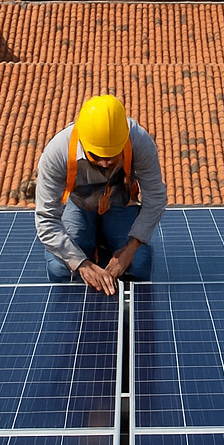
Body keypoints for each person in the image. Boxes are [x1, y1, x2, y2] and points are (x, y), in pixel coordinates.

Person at [35, 95, 167, 295]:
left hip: (120, 201)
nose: (105, 163)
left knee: (139, 263)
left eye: (112, 156)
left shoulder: (139, 142)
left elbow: (155, 198)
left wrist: (129, 250)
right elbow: (46, 219)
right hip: (79, 204)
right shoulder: (57, 151)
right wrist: (81, 264)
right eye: (96, 157)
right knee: (60, 267)